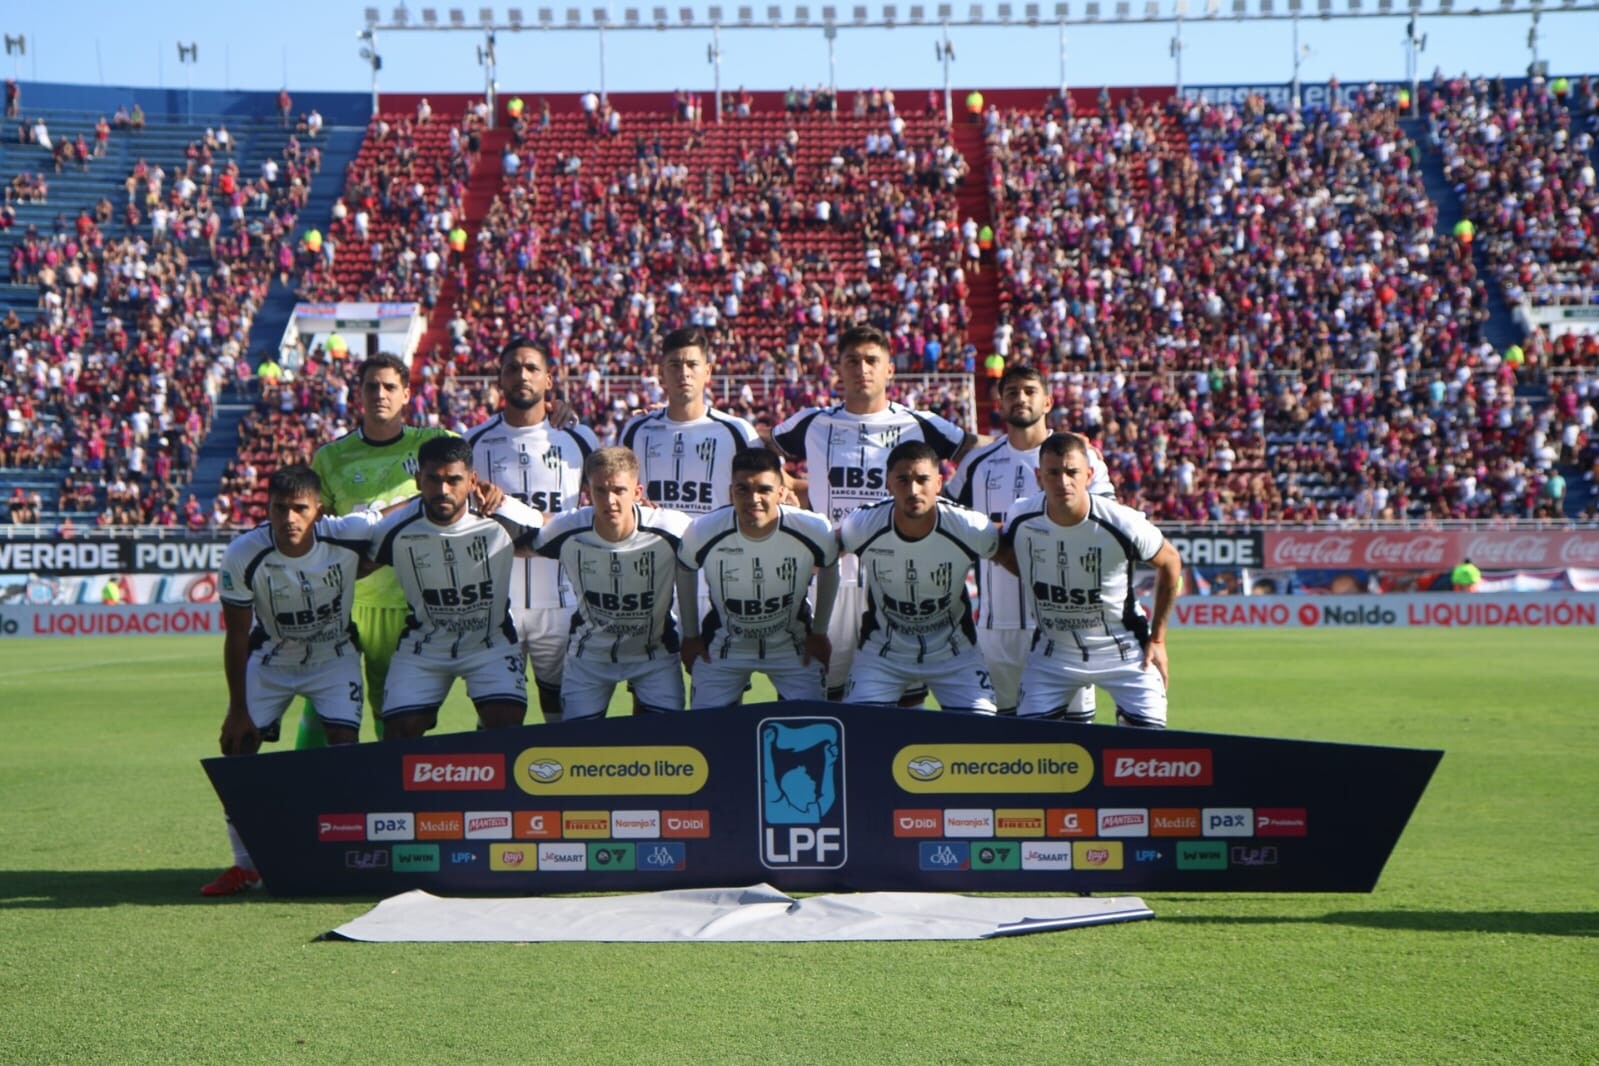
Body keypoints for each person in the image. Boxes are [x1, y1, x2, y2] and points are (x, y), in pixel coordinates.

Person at [770, 324, 975, 699]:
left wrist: (1046, 439)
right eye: (852, 361)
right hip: (827, 572)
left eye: (871, 360)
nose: (862, 368)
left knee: (902, 694)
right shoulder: (813, 422)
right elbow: (755, 447)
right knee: (818, 688)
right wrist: (794, 488)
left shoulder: (920, 423)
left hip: (896, 573)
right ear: (839, 368)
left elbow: (978, 452)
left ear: (889, 370)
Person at [203, 465, 381, 896]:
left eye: (300, 508)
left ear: (319, 510)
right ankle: (246, 867)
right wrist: (237, 708)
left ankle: (346, 859)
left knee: (345, 750)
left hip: (333, 655)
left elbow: (396, 515)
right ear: (267, 507)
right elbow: (236, 635)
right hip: (272, 659)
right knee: (237, 748)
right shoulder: (244, 553)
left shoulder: (347, 533)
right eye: (279, 508)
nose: (289, 519)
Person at [297, 353, 454, 747]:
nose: (380, 394)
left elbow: (471, 475)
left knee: (395, 715)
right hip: (346, 603)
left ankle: (393, 799)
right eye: (371, 386)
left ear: (406, 395)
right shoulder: (330, 457)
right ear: (359, 393)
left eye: (389, 387)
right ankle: (304, 798)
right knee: (324, 706)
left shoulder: (435, 444)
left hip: (406, 604)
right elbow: (317, 531)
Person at [946, 365, 1113, 715]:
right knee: (1007, 738)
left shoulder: (1081, 457)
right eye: (1011, 393)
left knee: (1074, 735)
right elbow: (945, 523)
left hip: (1066, 623)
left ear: (1047, 401)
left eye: (1029, 391)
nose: (1020, 398)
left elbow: (1106, 525)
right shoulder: (977, 463)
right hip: (998, 626)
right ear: (1000, 404)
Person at [362, 436, 542, 739]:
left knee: (506, 723)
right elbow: (352, 565)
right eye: (432, 479)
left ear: (472, 480)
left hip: (490, 641)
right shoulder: (392, 529)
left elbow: (560, 529)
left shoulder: (504, 518)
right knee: (398, 731)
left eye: (454, 480)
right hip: (425, 643)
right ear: (418, 479)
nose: (443, 490)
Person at [1000, 433, 1182, 727]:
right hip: (1052, 654)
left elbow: (1171, 561)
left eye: (1072, 472)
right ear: (1038, 476)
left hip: (1125, 651)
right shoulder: (1021, 517)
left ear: (1089, 474)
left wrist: (1158, 639)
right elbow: (1000, 551)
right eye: (1053, 473)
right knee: (1035, 754)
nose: (1063, 482)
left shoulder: (1123, 522)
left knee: (1148, 756)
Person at [467, 337, 599, 722]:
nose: (521, 375)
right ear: (499, 380)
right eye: (512, 368)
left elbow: (605, 504)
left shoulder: (579, 438)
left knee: (561, 715)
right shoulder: (472, 442)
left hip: (563, 602)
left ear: (548, 380)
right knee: (498, 717)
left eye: (531, 368)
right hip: (497, 605)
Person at [837, 441, 998, 712]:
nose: (913, 490)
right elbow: (818, 556)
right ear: (888, 483)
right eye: (903, 479)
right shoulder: (862, 525)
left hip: (955, 654)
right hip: (883, 655)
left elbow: (1014, 557)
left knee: (980, 734)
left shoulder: (971, 528)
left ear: (938, 482)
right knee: (861, 732)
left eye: (922, 479)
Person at [531, 447, 692, 719]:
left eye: (619, 490)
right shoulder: (567, 529)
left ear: (638, 492)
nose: (610, 501)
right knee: (578, 752)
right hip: (589, 658)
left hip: (655, 656)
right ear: (587, 492)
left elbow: (718, 540)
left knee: (666, 745)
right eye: (600, 491)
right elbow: (520, 541)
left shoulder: (672, 529)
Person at [676, 449, 839, 708]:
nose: (754, 499)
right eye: (743, 489)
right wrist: (691, 634)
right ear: (731, 492)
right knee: (706, 733)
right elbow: (684, 569)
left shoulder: (814, 528)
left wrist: (819, 631)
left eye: (764, 489)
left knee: (810, 724)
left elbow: (831, 567)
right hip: (724, 646)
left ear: (781, 492)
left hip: (792, 646)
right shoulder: (703, 530)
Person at [619, 327, 762, 516]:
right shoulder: (636, 430)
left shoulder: (738, 432)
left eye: (692, 364)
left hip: (715, 545)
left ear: (707, 371)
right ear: (662, 372)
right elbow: (618, 492)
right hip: (655, 544)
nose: (684, 373)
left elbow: (763, 494)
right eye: (675, 365)